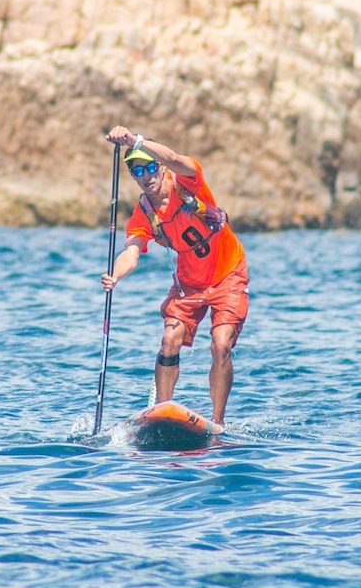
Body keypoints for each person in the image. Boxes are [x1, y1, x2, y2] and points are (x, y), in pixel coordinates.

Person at [100, 126, 249, 428]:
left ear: (160, 167)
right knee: (170, 339)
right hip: (189, 283)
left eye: (151, 167)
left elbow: (174, 157)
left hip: (227, 274)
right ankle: (160, 412)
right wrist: (115, 276)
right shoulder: (144, 212)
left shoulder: (188, 181)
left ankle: (218, 422)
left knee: (221, 344)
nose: (146, 175)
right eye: (138, 170)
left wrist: (135, 141)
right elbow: (132, 249)